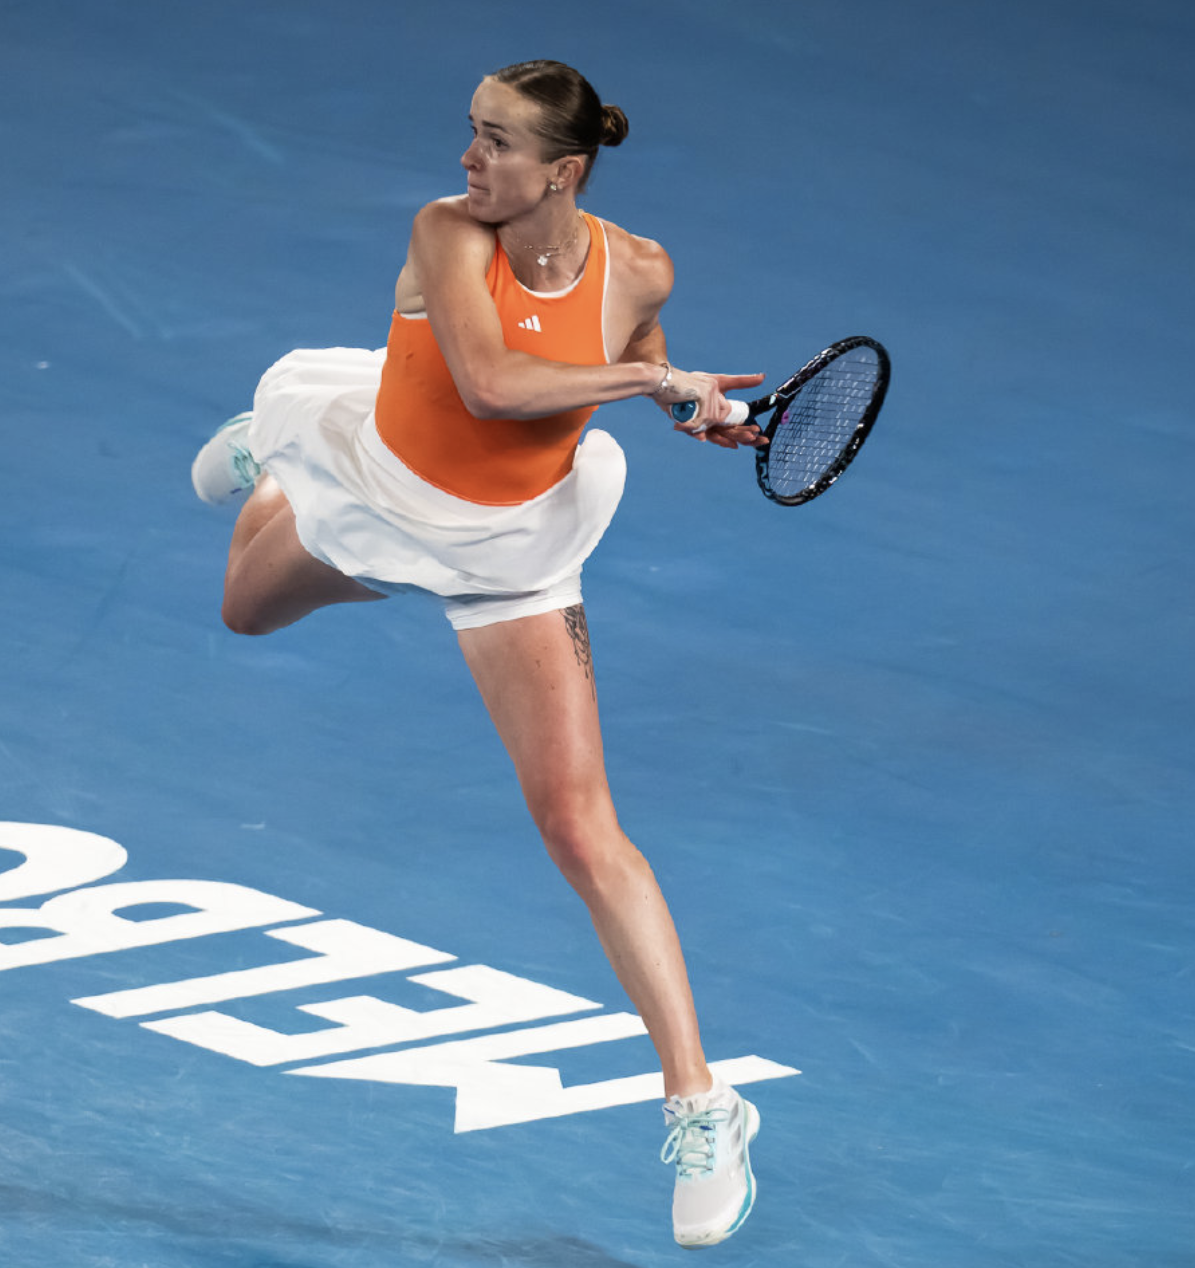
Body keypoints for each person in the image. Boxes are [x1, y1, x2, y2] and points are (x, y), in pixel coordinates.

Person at [191, 59, 769, 1249]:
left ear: (564, 170)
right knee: (244, 608)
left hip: (510, 549)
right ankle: (283, 448)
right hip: (381, 491)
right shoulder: (447, 230)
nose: (469, 157)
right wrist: (653, 378)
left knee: (579, 826)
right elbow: (496, 382)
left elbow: (636, 352)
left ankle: (701, 1104)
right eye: (471, 130)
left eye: (498, 141)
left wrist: (686, 405)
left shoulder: (641, 267)